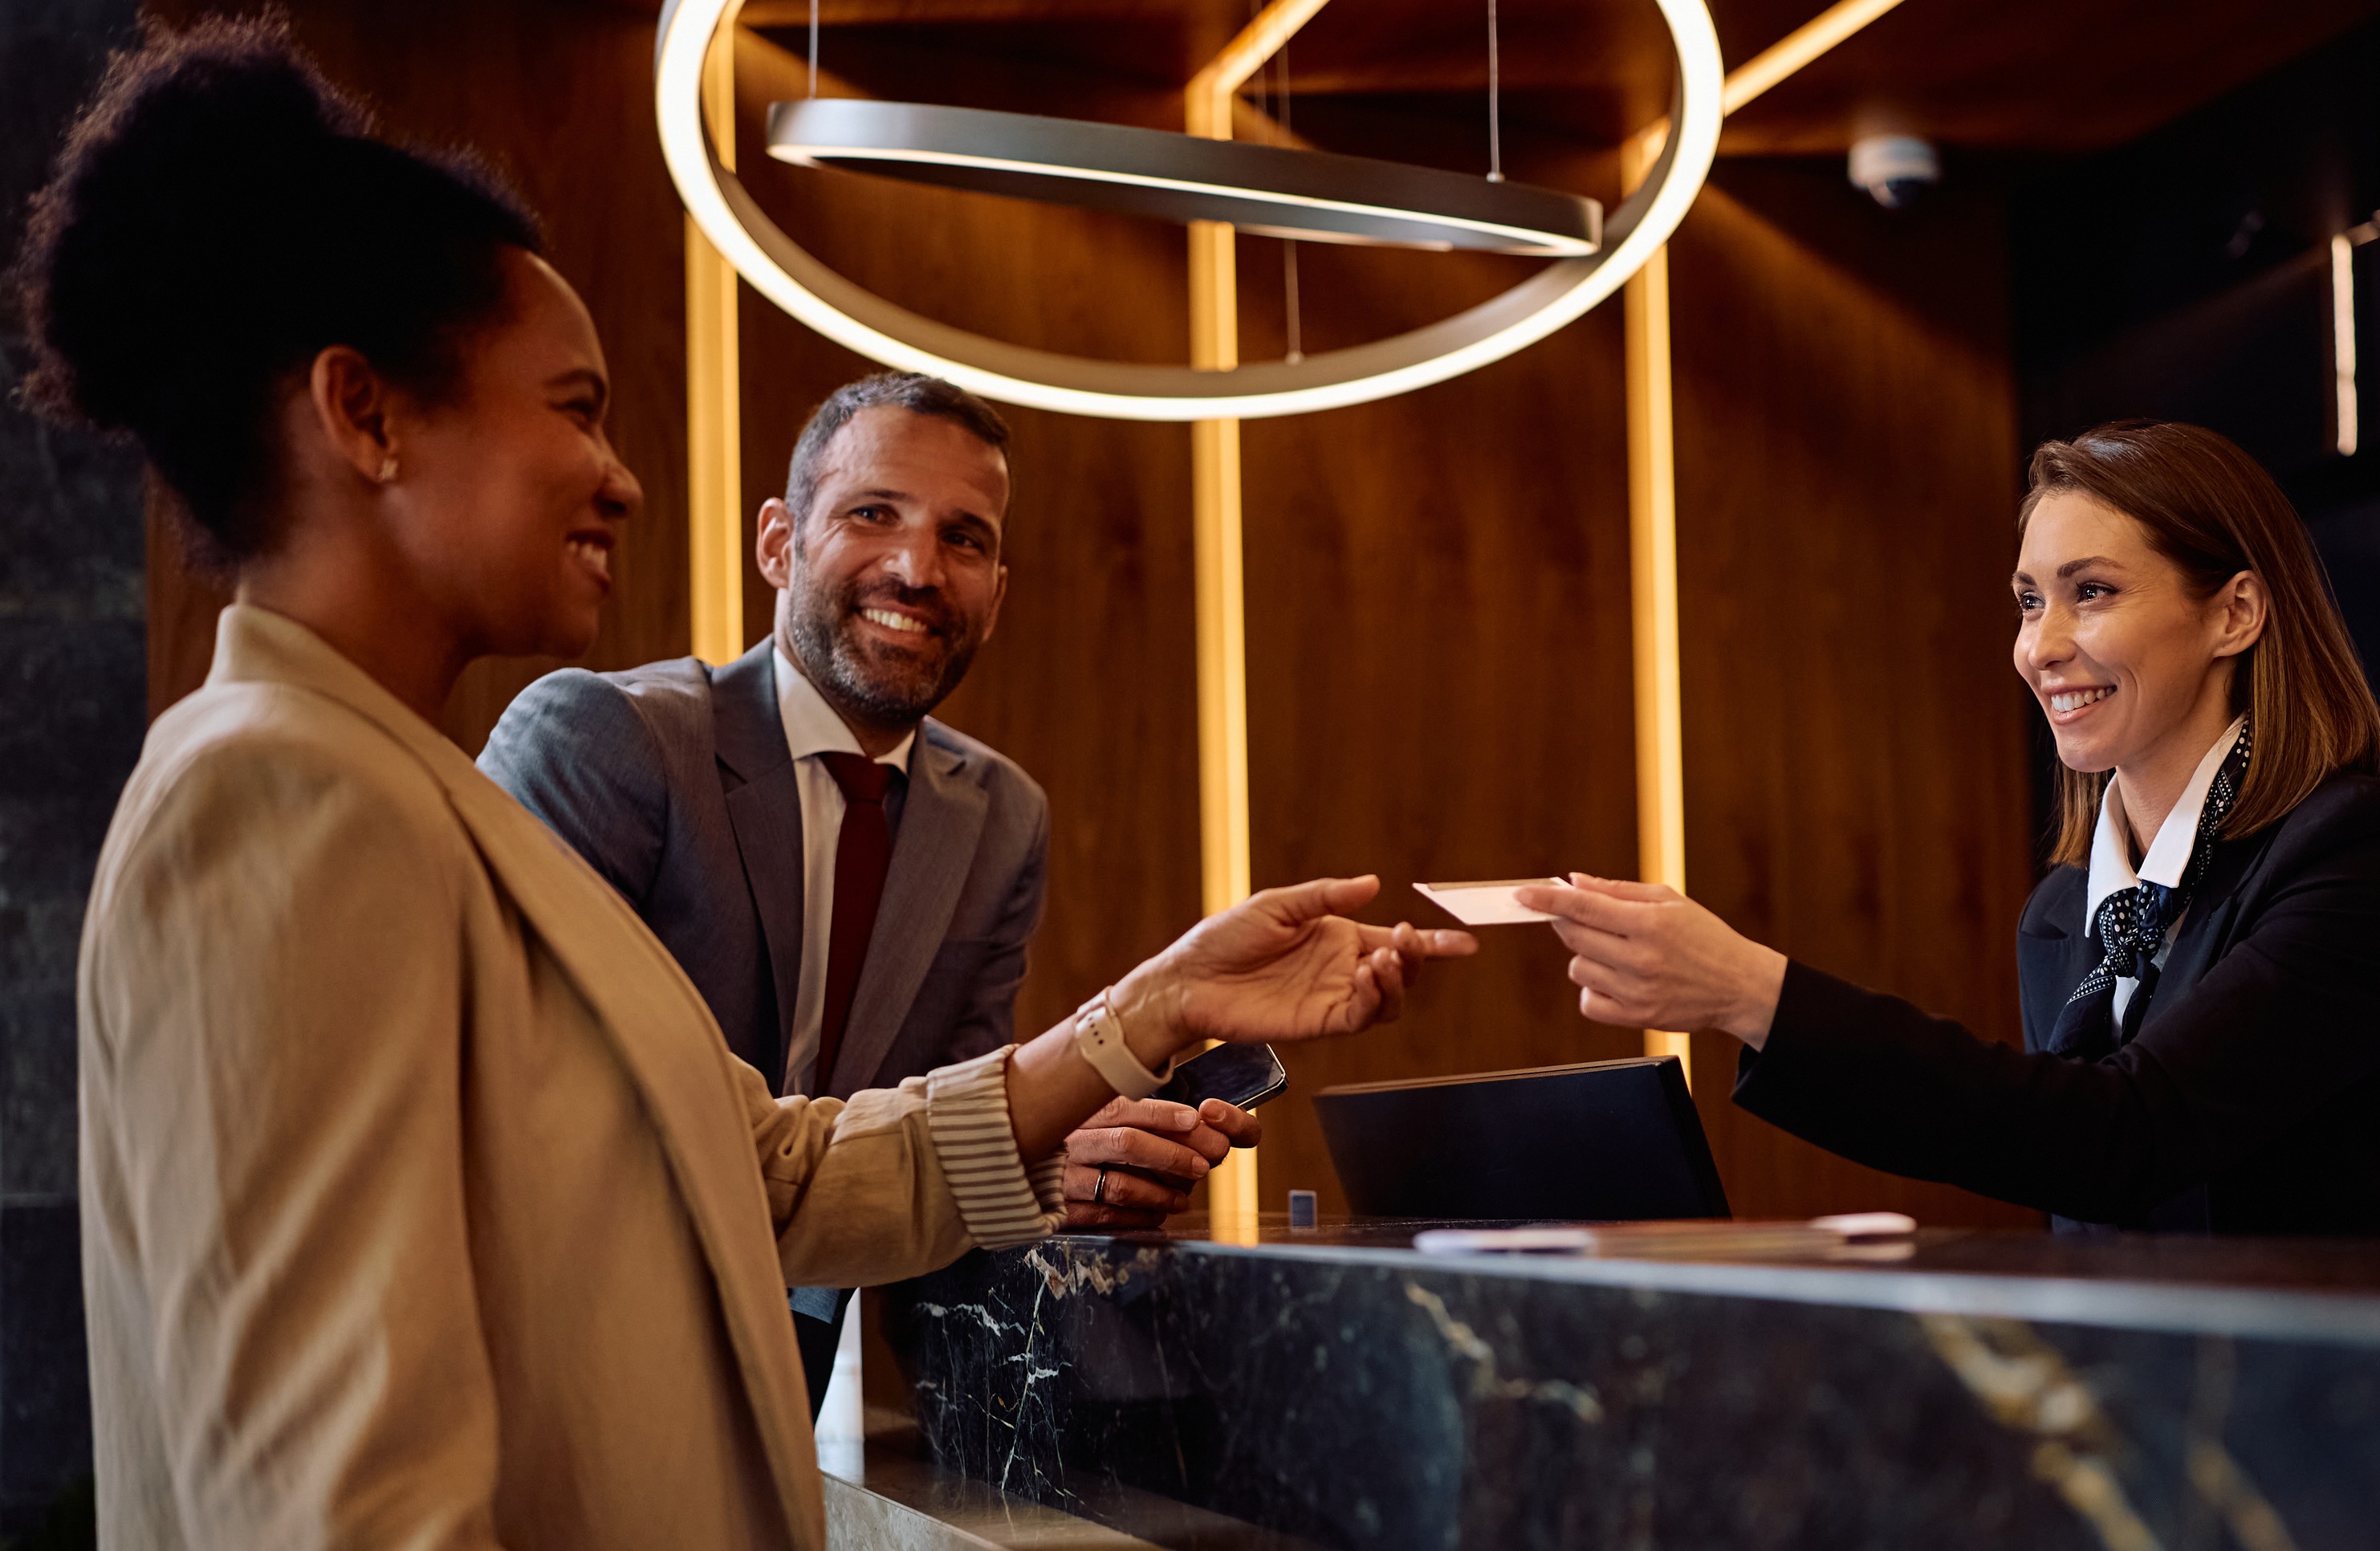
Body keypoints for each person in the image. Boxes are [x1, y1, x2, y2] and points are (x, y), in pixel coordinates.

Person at [26, 21, 1471, 1548]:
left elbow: (778, 1170)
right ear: (366, 415)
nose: (621, 473)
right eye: (575, 406)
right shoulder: (281, 796)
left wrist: (1159, 1008)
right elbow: (337, 1499)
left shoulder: (398, 795)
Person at [481, 370, 1229, 1415]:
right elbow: (541, 1130)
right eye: (873, 514)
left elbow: (947, 1118)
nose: (918, 568)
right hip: (557, 1371)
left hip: (798, 1390)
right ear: (779, 544)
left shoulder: (1002, 817)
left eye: (964, 539)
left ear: (998, 595)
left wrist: (1063, 1170)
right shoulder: (606, 742)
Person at [1524, 421, 2380, 1237]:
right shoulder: (2067, 913)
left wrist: (1754, 993)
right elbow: (2062, 1165)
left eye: (2090, 592)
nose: (2040, 646)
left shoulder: (2363, 857)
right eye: (2029, 600)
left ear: (2233, 613)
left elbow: (2127, 1139)